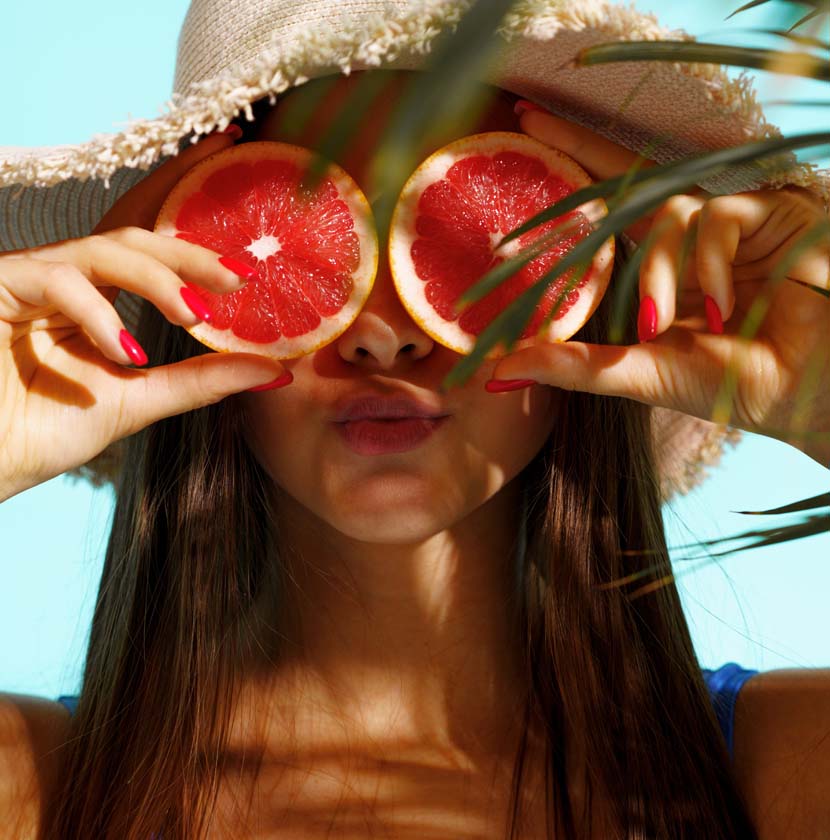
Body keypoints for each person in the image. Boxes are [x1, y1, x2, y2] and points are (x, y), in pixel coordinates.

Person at [1, 1, 829, 838]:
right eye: (304, 241)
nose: (387, 335)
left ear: (596, 279)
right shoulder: (25, 785)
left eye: (481, 235)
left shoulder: (791, 761)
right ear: (181, 297)